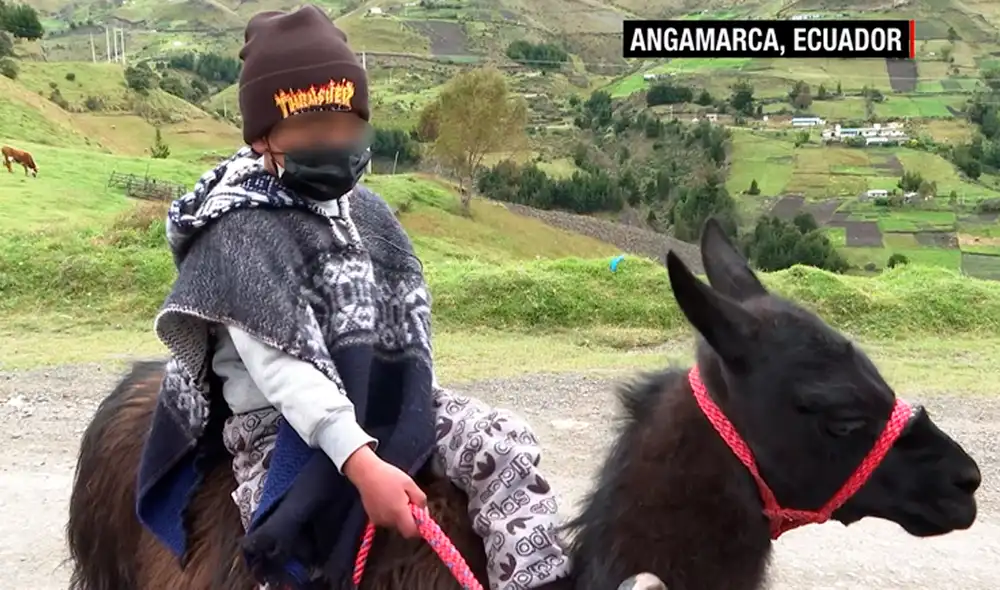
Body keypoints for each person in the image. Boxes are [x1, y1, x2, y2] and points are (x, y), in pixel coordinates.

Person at [152, 5, 572, 590]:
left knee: (503, 443)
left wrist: (407, 408)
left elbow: (401, 325)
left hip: (379, 398)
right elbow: (286, 372)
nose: (337, 141)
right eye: (315, 129)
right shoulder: (239, 232)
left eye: (349, 124)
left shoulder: (366, 212)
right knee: (289, 551)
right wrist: (361, 462)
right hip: (281, 429)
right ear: (265, 135)